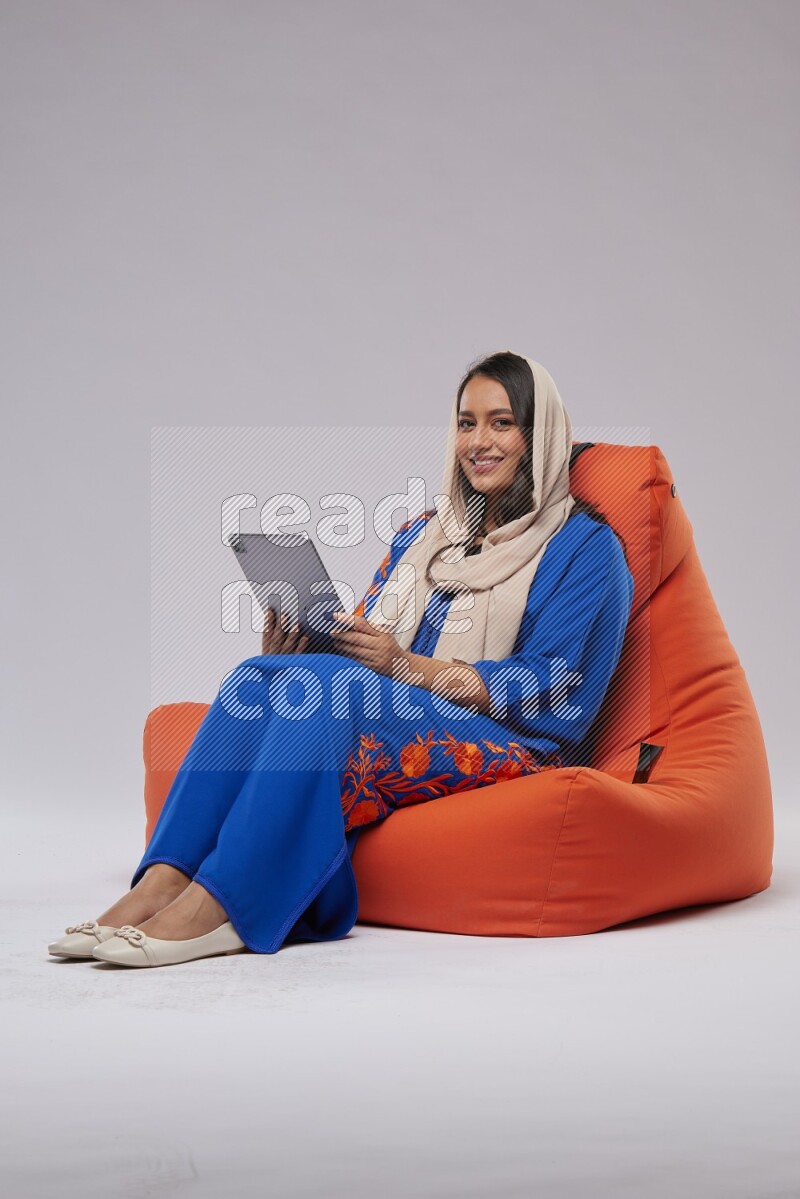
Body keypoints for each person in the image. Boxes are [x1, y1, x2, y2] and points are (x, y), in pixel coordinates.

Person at [48, 351, 634, 968]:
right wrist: (295, 653)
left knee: (333, 691)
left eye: (501, 423)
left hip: (516, 744)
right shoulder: (422, 536)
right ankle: (159, 885)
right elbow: (362, 644)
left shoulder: (587, 550)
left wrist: (406, 667)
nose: (478, 441)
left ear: (540, 437)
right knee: (257, 679)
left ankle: (224, 906)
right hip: (399, 705)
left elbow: (560, 689)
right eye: (466, 423)